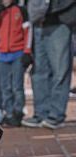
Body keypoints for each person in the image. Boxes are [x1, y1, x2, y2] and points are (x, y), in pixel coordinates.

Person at [21, 0, 76, 129]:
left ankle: (56, 115)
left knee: (60, 71)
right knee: (39, 71)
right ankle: (41, 113)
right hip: (38, 21)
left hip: (60, 21)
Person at [0, 0, 31, 127]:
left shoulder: (21, 10)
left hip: (18, 53)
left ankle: (18, 112)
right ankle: (9, 113)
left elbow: (28, 32)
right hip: (3, 55)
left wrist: (27, 51)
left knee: (17, 86)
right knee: (5, 86)